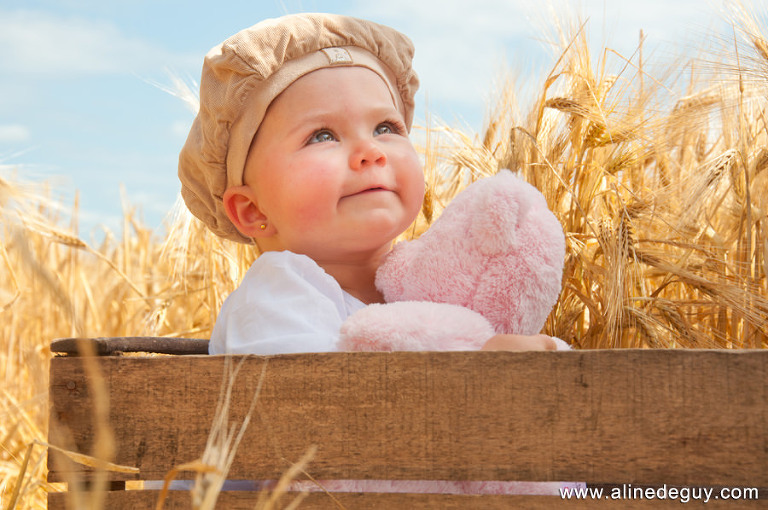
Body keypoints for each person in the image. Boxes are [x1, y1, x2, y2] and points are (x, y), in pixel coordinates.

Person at [178, 13, 558, 357]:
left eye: (385, 128)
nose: (370, 151)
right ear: (253, 210)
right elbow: (311, 398)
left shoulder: (426, 289)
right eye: (322, 136)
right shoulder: (276, 294)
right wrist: (474, 356)